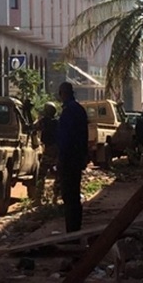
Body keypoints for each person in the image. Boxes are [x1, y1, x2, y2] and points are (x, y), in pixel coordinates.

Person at [56, 81, 89, 234]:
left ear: (63, 94)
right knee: (74, 195)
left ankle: (72, 231)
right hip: (77, 158)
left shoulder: (69, 111)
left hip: (69, 159)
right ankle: (75, 228)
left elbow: (65, 139)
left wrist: (61, 158)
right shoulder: (79, 110)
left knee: (69, 196)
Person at [34, 101, 59, 202]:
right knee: (58, 175)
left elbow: (32, 127)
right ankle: (55, 197)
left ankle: (38, 198)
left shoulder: (44, 121)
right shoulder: (57, 122)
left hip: (49, 150)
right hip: (57, 151)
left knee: (41, 174)